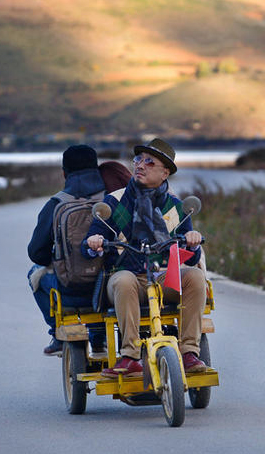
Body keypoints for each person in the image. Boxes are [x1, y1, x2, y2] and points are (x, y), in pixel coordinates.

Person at [83, 137, 209, 377]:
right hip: (127, 279)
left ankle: (189, 352)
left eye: (149, 162)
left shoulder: (175, 208)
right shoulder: (114, 202)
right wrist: (93, 243)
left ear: (165, 173)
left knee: (194, 276)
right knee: (123, 280)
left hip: (163, 277)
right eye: (138, 160)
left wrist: (192, 242)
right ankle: (130, 357)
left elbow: (191, 259)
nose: (139, 165)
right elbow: (86, 248)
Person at [27, 145, 132, 356]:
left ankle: (57, 334)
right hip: (113, 290)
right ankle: (99, 338)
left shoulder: (56, 204)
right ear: (97, 168)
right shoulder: (114, 198)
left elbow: (37, 253)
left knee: (34, 273)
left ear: (64, 173)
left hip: (72, 291)